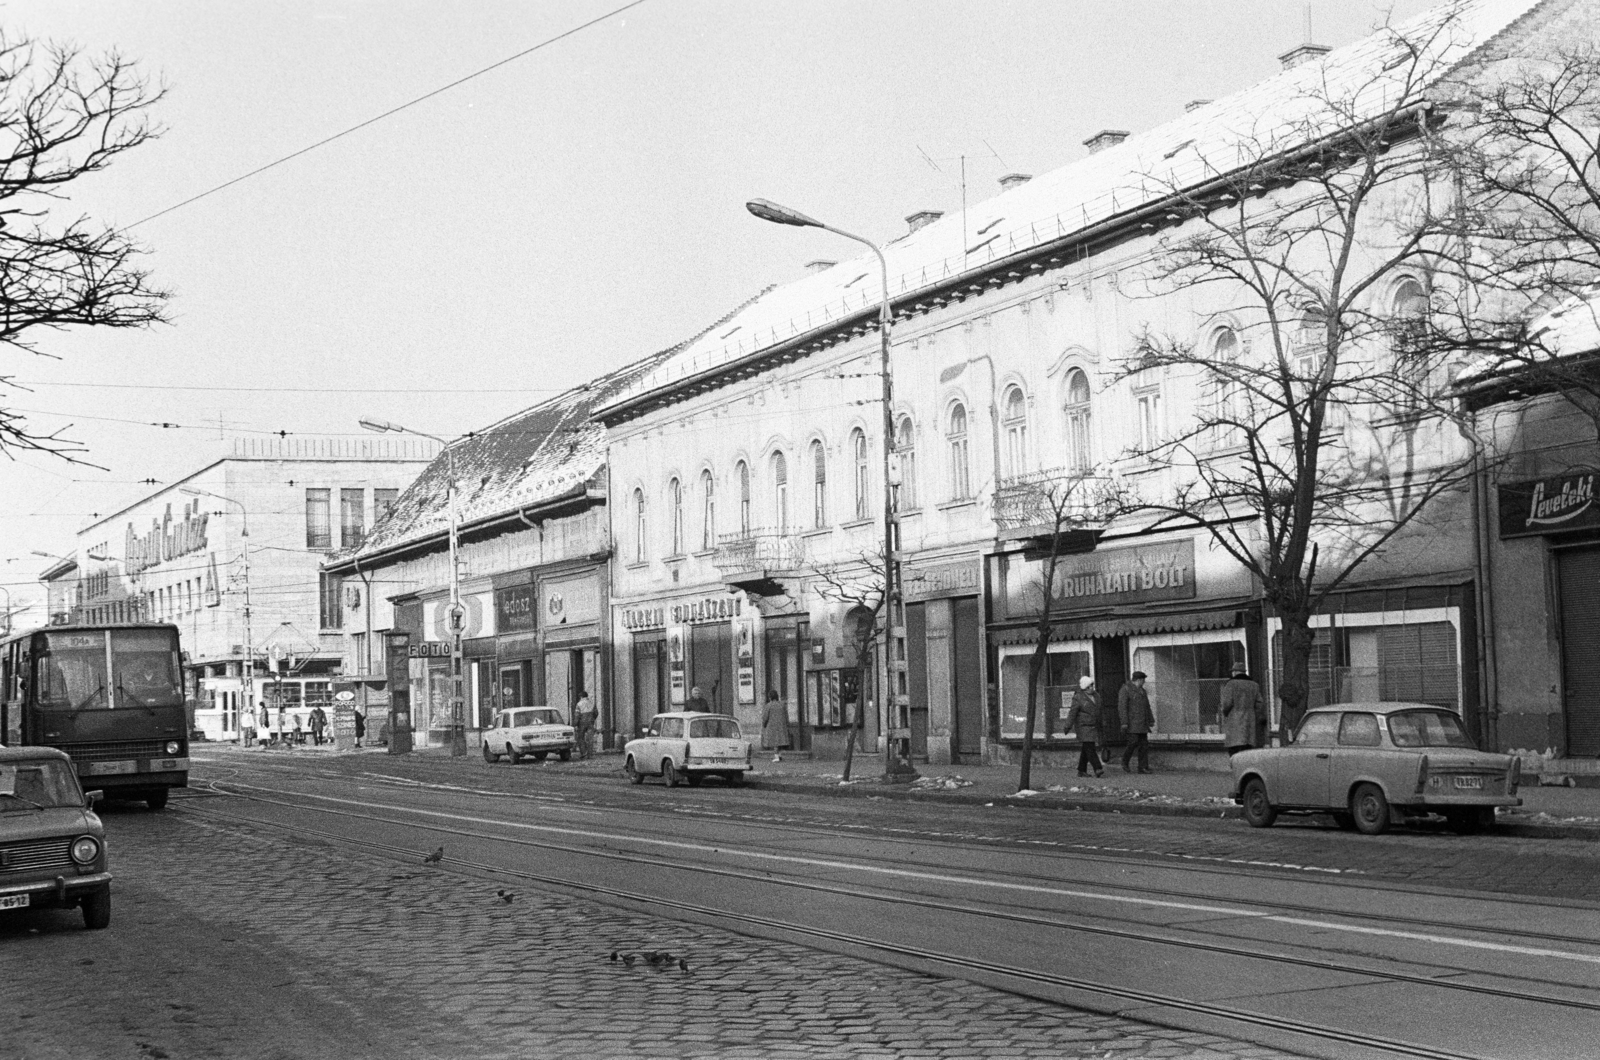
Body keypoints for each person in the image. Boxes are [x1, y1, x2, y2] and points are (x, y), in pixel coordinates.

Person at [1063, 675, 1104, 778]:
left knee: (1086, 748)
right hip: (1083, 726)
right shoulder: (1078, 698)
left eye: (1092, 685)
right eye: (1089, 686)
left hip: (1093, 725)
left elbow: (1100, 711)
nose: (1092, 688)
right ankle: (1097, 768)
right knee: (1090, 747)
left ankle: (1081, 770)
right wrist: (1067, 726)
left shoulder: (1096, 696)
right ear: (1085, 687)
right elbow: (1073, 713)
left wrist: (1103, 722)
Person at [1220, 665, 1266, 756]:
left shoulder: (1231, 684)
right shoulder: (1254, 685)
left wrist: (1225, 713)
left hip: (1234, 721)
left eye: (1233, 671)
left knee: (1234, 749)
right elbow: (1260, 704)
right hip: (1250, 722)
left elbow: (1226, 704)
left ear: (1235, 672)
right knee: (1247, 750)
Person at [1119, 671, 1155, 774]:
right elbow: (1122, 707)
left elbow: (1147, 707)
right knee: (1133, 742)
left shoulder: (1142, 691)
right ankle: (1125, 761)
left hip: (1142, 723)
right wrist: (1124, 722)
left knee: (1144, 745)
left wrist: (1150, 719)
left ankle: (1143, 767)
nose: (1144, 682)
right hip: (1132, 722)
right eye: (1143, 680)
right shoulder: (1125, 690)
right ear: (1139, 680)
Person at [760, 689, 790, 762]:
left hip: (772, 726)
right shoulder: (782, 705)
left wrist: (764, 725)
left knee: (775, 742)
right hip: (782, 726)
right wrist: (787, 724)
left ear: (770, 697)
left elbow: (765, 717)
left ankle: (776, 757)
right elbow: (786, 716)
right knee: (780, 741)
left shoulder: (768, 706)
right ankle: (779, 755)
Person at [573, 692, 597, 759]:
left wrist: (576, 724)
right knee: (590, 738)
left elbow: (577, 715)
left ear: (581, 697)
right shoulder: (592, 703)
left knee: (580, 738)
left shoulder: (579, 704)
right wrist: (592, 719)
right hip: (591, 722)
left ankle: (584, 753)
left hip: (582, 722)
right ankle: (590, 754)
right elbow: (596, 712)